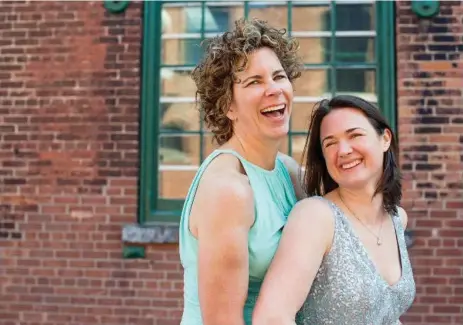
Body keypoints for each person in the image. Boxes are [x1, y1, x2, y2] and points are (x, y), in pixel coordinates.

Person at [178, 18, 304, 325]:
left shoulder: (286, 171)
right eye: (254, 82)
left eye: (279, 76)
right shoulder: (229, 190)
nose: (274, 89)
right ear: (227, 107)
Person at [253, 95, 416, 325]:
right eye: (330, 143)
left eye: (355, 135)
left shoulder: (398, 219)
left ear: (385, 139)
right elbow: (271, 318)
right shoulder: (316, 217)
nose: (344, 150)